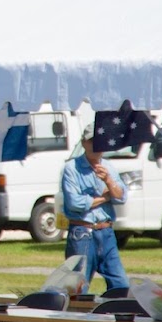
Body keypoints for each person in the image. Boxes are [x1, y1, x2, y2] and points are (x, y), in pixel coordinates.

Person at [60, 122, 129, 294]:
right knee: (77, 287)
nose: (96, 146)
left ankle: (118, 317)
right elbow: (75, 203)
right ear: (83, 143)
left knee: (121, 284)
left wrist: (109, 182)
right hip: (82, 232)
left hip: (106, 233)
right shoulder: (72, 168)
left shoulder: (108, 167)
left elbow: (121, 196)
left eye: (100, 142)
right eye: (92, 141)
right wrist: (105, 196)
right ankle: (77, 320)